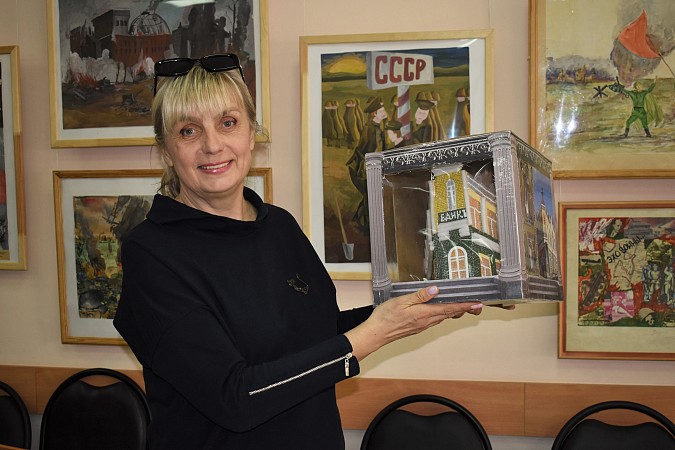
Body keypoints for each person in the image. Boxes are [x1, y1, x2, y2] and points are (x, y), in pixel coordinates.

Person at [113, 54, 490, 450]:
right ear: (166, 150)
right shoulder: (152, 253)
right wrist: (375, 334)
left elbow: (317, 333)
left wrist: (426, 301)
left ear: (251, 133)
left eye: (228, 123)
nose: (212, 145)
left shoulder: (278, 226)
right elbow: (235, 396)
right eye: (188, 131)